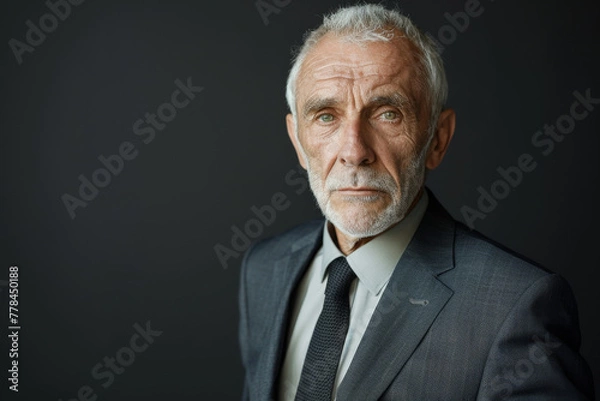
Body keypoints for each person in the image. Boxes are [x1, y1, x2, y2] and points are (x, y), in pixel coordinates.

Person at [238, 4, 594, 400]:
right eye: (325, 116)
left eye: (388, 114)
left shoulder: (517, 307)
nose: (354, 151)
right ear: (297, 141)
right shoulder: (265, 270)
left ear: (437, 139)